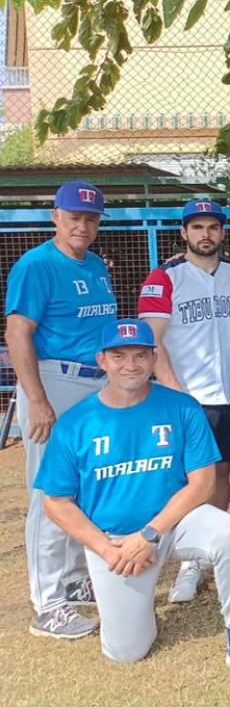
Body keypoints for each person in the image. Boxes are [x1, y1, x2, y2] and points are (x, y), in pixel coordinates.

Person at [34, 319, 230, 683]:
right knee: (127, 652)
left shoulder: (181, 407)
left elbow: (202, 482)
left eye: (139, 355)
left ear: (153, 359)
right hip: (114, 541)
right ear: (102, 360)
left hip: (173, 525)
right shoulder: (76, 422)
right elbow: (56, 502)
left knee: (228, 532)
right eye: (119, 355)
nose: (129, 364)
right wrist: (106, 548)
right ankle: (137, 612)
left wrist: (149, 534)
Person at [138, 199, 230, 604]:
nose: (205, 234)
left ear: (222, 232)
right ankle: (185, 564)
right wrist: (176, 392)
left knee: (221, 475)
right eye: (197, 227)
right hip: (187, 397)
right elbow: (152, 341)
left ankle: (210, 550)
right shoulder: (164, 279)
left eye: (213, 227)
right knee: (190, 481)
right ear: (184, 233)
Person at [6, 180, 117, 639]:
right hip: (55, 380)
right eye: (74, 217)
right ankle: (47, 602)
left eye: (90, 218)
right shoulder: (37, 265)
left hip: (95, 384)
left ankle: (72, 581)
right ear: (55, 216)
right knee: (48, 493)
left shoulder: (94, 264)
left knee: (81, 487)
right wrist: (36, 400)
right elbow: (17, 333)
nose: (83, 226)